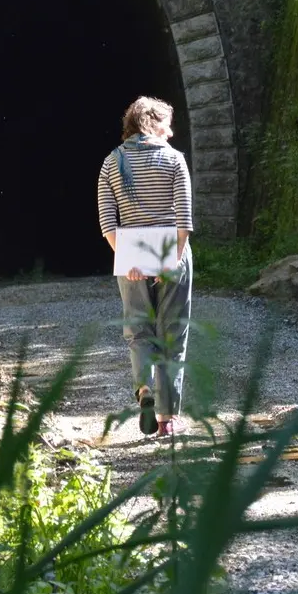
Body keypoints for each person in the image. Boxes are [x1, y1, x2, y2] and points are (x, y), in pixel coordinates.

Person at [97, 97, 193, 439]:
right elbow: (184, 217)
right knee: (173, 334)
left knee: (139, 332)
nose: (171, 132)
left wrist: (128, 259)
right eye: (167, 124)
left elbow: (107, 222)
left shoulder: (111, 162)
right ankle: (167, 418)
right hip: (171, 249)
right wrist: (173, 259)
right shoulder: (174, 159)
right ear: (153, 123)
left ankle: (144, 390)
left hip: (131, 254)